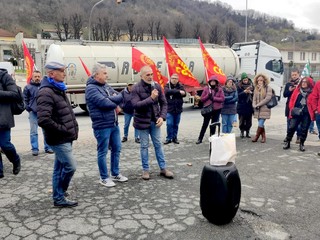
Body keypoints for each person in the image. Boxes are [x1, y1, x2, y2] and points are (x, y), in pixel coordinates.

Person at [37, 61, 79, 208]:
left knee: (59, 168)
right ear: (51, 74)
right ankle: (60, 193)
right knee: (70, 166)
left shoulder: (57, 88)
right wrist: (63, 129)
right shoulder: (46, 92)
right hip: (58, 138)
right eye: (61, 71)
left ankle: (58, 197)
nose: (64, 73)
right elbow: (43, 120)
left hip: (64, 136)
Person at [85, 63, 128, 187]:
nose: (107, 75)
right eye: (104, 73)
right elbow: (105, 103)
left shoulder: (105, 86)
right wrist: (114, 100)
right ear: (96, 75)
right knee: (103, 151)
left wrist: (113, 98)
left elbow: (119, 96)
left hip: (113, 123)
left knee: (117, 148)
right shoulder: (91, 88)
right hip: (102, 125)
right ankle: (104, 177)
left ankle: (115, 173)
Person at [131, 65, 173, 180]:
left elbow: (164, 103)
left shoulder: (157, 86)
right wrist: (151, 98)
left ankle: (163, 168)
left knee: (158, 145)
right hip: (142, 123)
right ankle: (145, 170)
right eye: (147, 75)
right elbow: (136, 106)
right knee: (144, 146)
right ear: (141, 76)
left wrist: (162, 117)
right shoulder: (136, 88)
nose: (150, 77)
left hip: (155, 122)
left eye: (151, 74)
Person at [23, 70, 54, 156]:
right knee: (34, 132)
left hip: (44, 112)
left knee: (46, 131)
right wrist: (28, 108)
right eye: (35, 76)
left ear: (40, 77)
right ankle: (35, 149)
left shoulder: (44, 87)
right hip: (33, 112)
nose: (37, 78)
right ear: (32, 77)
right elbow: (25, 99)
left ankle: (48, 147)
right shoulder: (27, 87)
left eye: (38, 77)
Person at [0, 69, 21, 179]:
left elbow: (15, 94)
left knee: (5, 144)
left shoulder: (4, 76)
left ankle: (15, 160)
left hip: (3, 117)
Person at [283, 77, 314, 151]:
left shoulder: (312, 92)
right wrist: (291, 108)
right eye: (302, 82)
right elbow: (292, 100)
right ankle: (288, 141)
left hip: (306, 113)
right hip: (296, 112)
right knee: (292, 127)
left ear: (309, 83)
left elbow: (314, 101)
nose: (303, 83)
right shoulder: (297, 90)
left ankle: (302, 143)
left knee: (304, 129)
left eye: (305, 82)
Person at [196, 75, 225, 144]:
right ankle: (200, 138)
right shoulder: (206, 89)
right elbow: (202, 99)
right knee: (205, 124)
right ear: (209, 82)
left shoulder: (219, 89)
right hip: (208, 109)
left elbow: (222, 99)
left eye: (214, 81)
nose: (212, 82)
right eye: (211, 81)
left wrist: (214, 98)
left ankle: (212, 138)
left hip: (216, 109)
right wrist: (207, 96)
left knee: (214, 124)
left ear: (216, 82)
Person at [164, 73, 186, 144]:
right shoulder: (167, 85)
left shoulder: (180, 85)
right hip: (170, 109)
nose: (174, 80)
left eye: (175, 78)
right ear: (170, 79)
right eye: (173, 78)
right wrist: (178, 92)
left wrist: (174, 92)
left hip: (178, 109)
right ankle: (168, 138)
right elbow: (167, 92)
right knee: (169, 124)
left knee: (176, 124)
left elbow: (184, 93)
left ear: (178, 80)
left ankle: (174, 137)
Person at [251, 73, 273, 143]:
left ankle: (256, 137)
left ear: (264, 81)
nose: (259, 82)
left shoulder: (268, 88)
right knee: (261, 124)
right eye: (258, 80)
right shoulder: (256, 88)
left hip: (265, 109)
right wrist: (254, 105)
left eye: (261, 80)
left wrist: (258, 105)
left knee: (260, 123)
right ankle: (263, 137)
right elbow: (254, 98)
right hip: (257, 109)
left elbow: (267, 98)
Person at [283, 69, 301, 143]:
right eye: (292, 75)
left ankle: (299, 137)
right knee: (289, 122)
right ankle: (288, 137)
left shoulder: (301, 83)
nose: (294, 76)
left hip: (298, 105)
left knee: (299, 123)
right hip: (289, 106)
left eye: (295, 75)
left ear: (298, 74)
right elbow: (284, 95)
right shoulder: (288, 84)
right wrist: (290, 90)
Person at [237, 72, 254, 138]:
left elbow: (254, 95)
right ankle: (242, 131)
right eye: (244, 80)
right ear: (242, 80)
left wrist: (250, 92)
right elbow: (238, 96)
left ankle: (248, 131)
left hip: (249, 105)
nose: (245, 81)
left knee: (249, 120)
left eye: (246, 80)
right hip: (241, 105)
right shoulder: (239, 86)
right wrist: (244, 92)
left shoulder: (252, 86)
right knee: (241, 119)